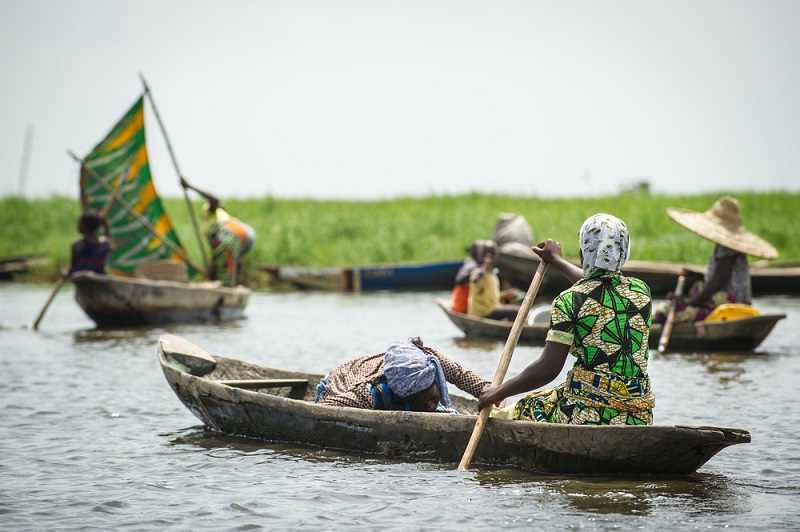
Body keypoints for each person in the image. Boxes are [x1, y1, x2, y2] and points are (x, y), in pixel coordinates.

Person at [477, 213, 655, 426]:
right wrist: (557, 261)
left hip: (587, 412)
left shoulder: (569, 300)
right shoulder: (640, 291)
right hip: (639, 414)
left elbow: (548, 368)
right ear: (624, 250)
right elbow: (598, 290)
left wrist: (498, 392)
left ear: (583, 251)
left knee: (525, 407)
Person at [654, 196, 779, 324]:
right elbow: (721, 278)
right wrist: (696, 275)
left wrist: (687, 302)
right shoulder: (727, 247)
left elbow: (718, 282)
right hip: (731, 303)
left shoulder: (728, 248)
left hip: (731, 307)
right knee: (697, 288)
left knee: (664, 312)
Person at [315, 337, 495, 413]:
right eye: (422, 403)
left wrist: (492, 393)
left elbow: (460, 375)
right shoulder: (369, 395)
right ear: (406, 398)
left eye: (433, 397)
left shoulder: (428, 362)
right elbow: (326, 408)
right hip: (337, 384)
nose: (432, 406)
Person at [180, 177, 256, 287]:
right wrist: (211, 271)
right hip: (246, 234)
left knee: (224, 277)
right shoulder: (218, 219)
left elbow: (215, 200)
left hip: (231, 233)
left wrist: (190, 187)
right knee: (225, 266)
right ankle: (230, 286)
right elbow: (216, 253)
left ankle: (226, 288)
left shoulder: (212, 210)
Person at [466, 240, 518, 320]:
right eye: (485, 254)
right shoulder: (478, 272)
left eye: (492, 254)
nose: (488, 257)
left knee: (513, 307)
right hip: (481, 314)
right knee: (515, 311)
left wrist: (505, 295)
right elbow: (475, 279)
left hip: (491, 310)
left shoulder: (492, 275)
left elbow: (492, 298)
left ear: (497, 256)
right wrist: (484, 268)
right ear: (479, 256)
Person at [67, 209, 115, 276]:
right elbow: (112, 246)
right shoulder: (105, 243)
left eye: (80, 222)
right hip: (99, 277)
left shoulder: (77, 245)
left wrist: (65, 274)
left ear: (85, 226)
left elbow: (72, 268)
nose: (77, 225)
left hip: (83, 280)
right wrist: (106, 226)